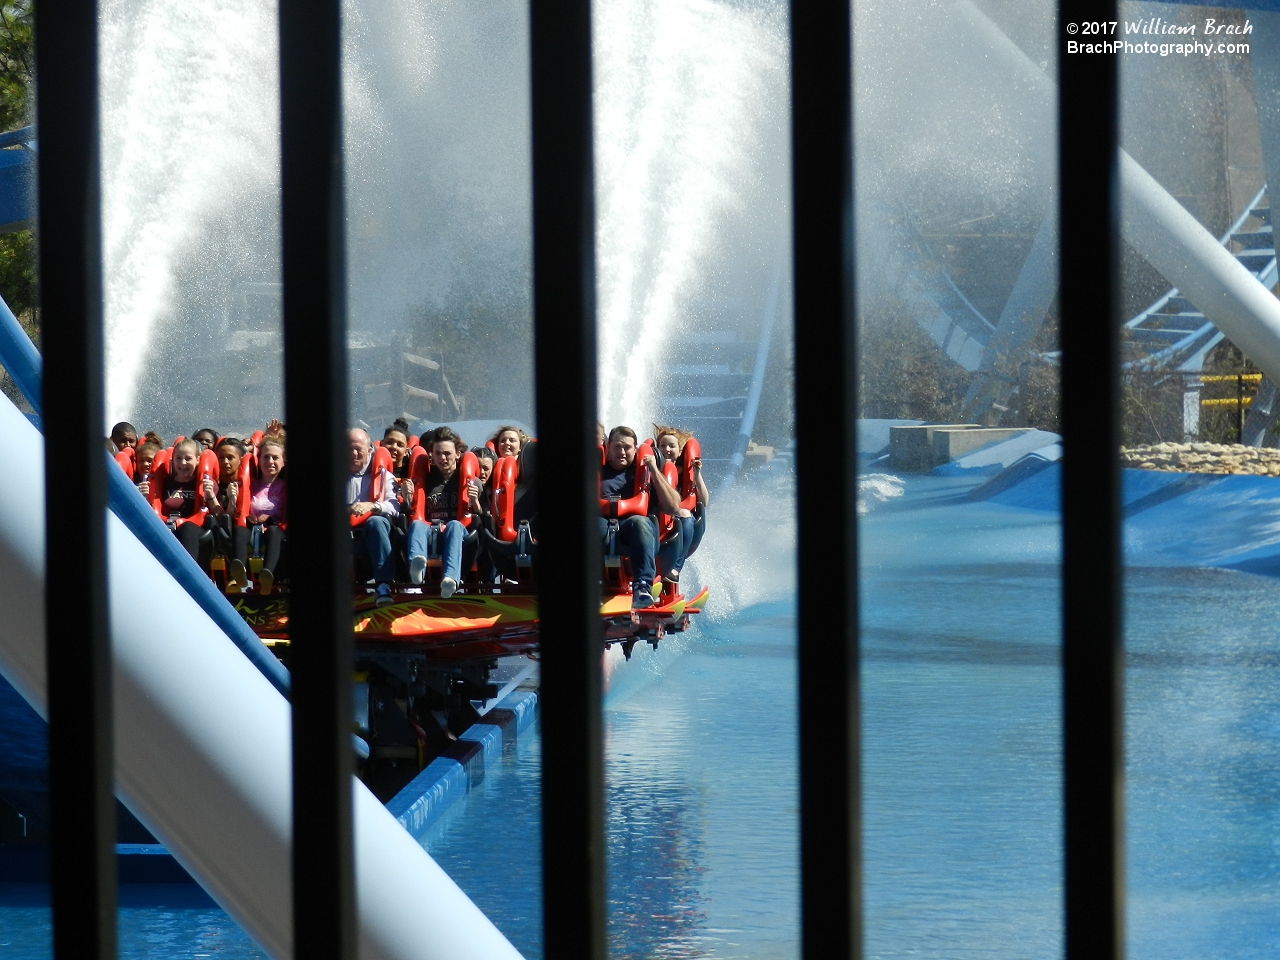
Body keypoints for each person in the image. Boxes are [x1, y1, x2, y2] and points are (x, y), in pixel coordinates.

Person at [599, 426, 658, 608]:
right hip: (600, 519)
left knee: (641, 523)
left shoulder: (641, 471)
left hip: (630, 523)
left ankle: (642, 587)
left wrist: (655, 472)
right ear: (608, 447)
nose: (622, 452)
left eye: (627, 447)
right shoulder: (597, 469)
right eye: (617, 446)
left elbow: (672, 506)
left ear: (635, 449)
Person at [406, 428, 469, 597]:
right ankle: (417, 565)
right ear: (431, 455)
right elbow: (408, 509)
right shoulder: (426, 477)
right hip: (429, 533)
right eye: (438, 453)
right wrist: (407, 495)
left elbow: (479, 512)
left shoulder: (466, 478)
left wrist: (475, 499)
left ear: (457, 454)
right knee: (417, 525)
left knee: (455, 525)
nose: (442, 458)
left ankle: (450, 579)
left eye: (447, 453)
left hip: (456, 534)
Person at [347, 428, 398, 605]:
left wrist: (373, 506)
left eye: (358, 449)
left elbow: (394, 506)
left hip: (372, 532)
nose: (353, 454)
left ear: (369, 449)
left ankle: (383, 586)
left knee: (377, 522)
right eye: (349, 448)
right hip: (344, 531)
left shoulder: (384, 477)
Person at [157, 438, 207, 563]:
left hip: (196, 532)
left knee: (187, 528)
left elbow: (218, 514)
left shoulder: (204, 484)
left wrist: (210, 496)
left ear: (197, 460)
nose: (182, 463)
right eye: (178, 458)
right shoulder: (165, 483)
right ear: (172, 460)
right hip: (168, 528)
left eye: (188, 458)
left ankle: (189, 572)